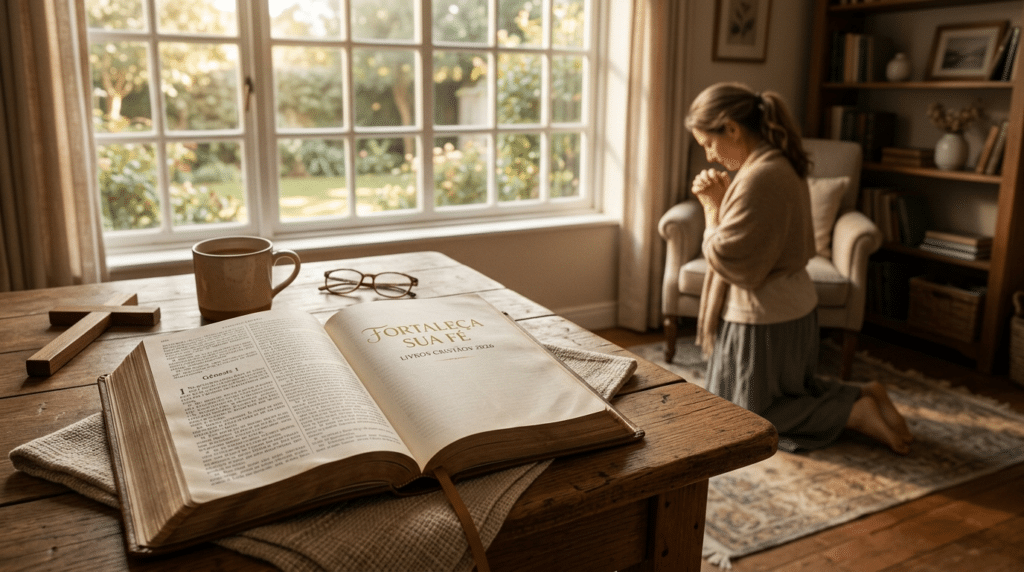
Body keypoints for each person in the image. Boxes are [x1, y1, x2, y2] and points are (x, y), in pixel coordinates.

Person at [685, 82, 913, 454]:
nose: (710, 156)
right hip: (789, 308)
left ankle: (855, 412)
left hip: (766, 316)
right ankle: (863, 393)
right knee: (782, 392)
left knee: (748, 414)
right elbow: (757, 234)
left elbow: (729, 254)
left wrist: (712, 206)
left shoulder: (760, 176)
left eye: (708, 144)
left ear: (731, 128)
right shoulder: (773, 163)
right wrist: (725, 199)